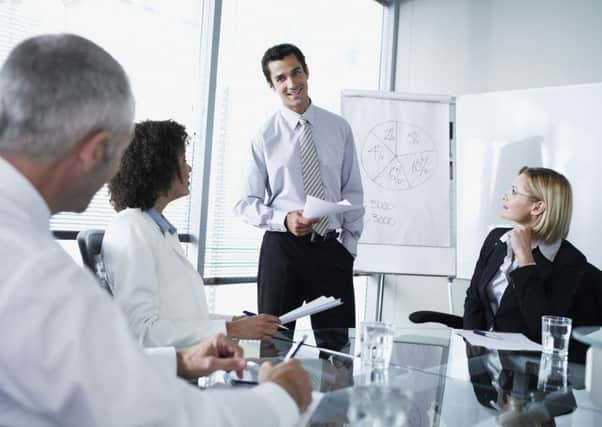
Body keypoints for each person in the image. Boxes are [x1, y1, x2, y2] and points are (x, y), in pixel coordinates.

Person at [0, 33, 311, 426]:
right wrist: (281, 398)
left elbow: (94, 370)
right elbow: (153, 414)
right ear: (94, 149)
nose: (116, 169)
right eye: (117, 150)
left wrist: (179, 361)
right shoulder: (35, 275)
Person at [102, 119, 280, 348]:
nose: (189, 168)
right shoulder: (130, 229)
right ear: (160, 167)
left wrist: (235, 322)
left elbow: (183, 319)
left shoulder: (155, 228)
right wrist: (231, 330)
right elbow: (141, 332)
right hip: (163, 376)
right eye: (183, 160)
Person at [233, 43, 364, 340]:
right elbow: (245, 203)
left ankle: (335, 387)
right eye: (281, 78)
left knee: (339, 352)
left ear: (307, 71)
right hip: (283, 250)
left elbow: (353, 192)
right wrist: (284, 219)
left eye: (296, 72)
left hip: (332, 251)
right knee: (273, 346)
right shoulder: (264, 135)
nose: (292, 84)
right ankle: (272, 388)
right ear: (271, 84)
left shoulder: (339, 128)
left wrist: (349, 248)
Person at [463, 166, 602, 363]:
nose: (505, 196)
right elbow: (473, 300)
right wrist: (473, 344)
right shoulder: (496, 240)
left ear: (537, 207)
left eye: (514, 192)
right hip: (483, 365)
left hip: (529, 372)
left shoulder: (569, 262)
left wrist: (525, 259)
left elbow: (543, 329)